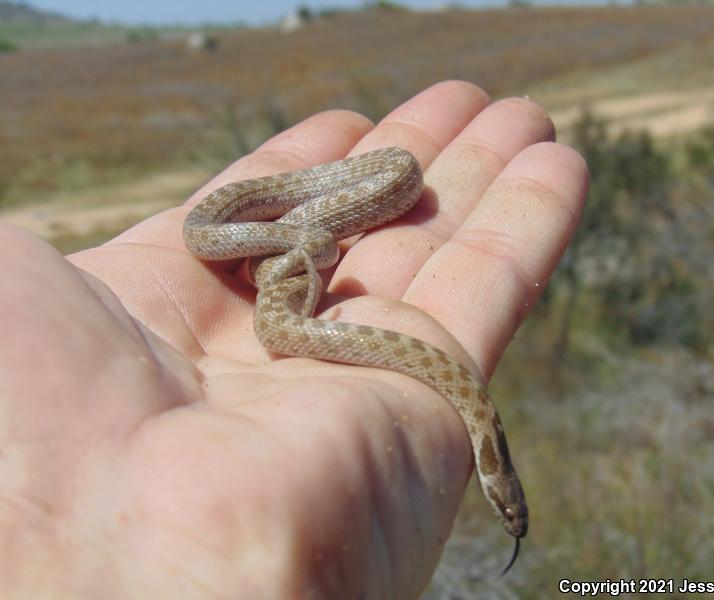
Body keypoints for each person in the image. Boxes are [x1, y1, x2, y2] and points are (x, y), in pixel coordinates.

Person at [0, 80, 588, 598]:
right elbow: (251, 242)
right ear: (493, 482)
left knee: (346, 218)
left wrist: (290, 252)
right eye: (504, 506)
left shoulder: (345, 213)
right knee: (314, 241)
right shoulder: (260, 239)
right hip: (285, 240)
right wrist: (302, 250)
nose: (504, 510)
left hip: (307, 237)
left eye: (505, 508)